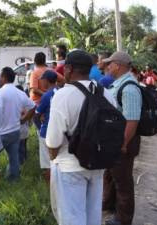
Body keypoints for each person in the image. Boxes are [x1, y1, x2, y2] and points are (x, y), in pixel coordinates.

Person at [46, 50, 117, 225]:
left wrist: (53, 157)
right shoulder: (106, 94)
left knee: (72, 218)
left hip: (69, 166)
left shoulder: (63, 95)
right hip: (98, 164)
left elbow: (53, 142)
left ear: (69, 69)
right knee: (92, 217)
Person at [103, 51, 142, 225]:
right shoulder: (120, 84)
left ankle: (123, 219)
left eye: (110, 64)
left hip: (123, 142)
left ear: (118, 65)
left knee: (123, 182)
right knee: (112, 176)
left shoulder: (129, 88)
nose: (107, 66)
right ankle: (110, 207)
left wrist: (123, 144)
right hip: (116, 141)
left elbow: (132, 121)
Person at [0, 67, 35, 181]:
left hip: (2, 132)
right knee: (14, 159)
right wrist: (24, 119)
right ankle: (14, 181)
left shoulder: (0, 92)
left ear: (4, 77)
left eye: (0, 76)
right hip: (15, 131)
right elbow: (33, 107)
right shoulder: (20, 93)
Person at [35, 70, 58, 184]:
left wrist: (40, 129)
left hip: (46, 133)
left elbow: (36, 114)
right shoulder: (61, 92)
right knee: (57, 162)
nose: (41, 82)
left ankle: (49, 190)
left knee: (47, 165)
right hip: (60, 133)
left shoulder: (46, 96)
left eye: (42, 80)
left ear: (47, 81)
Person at [16, 84, 30, 165]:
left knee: (20, 149)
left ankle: (22, 164)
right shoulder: (26, 101)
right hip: (25, 130)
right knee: (23, 147)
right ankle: (25, 162)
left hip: (20, 130)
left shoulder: (19, 103)